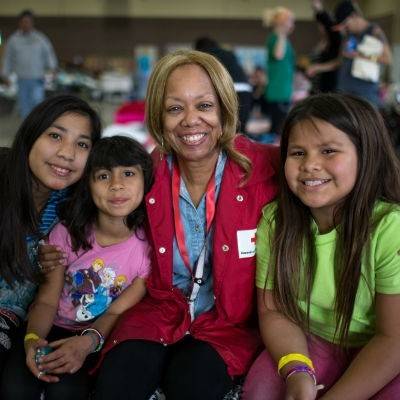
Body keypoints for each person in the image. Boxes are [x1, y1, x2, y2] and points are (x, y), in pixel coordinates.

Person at [84, 49, 278, 400]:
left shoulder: (265, 168)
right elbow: (88, 200)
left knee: (193, 386)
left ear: (224, 109)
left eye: (204, 106)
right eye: (175, 108)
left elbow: (324, 169)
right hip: (158, 311)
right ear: (159, 117)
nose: (191, 120)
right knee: (116, 385)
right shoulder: (144, 173)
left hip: (227, 323)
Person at [242, 93, 400, 399]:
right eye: (297, 153)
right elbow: (273, 311)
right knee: (260, 391)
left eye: (328, 150)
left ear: (366, 155)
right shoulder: (276, 222)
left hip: (383, 346)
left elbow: (393, 338)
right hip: (312, 339)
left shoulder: (390, 228)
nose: (311, 165)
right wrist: (297, 369)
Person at [1, 136, 153, 400]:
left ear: (146, 181)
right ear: (88, 186)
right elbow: (47, 300)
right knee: (15, 389)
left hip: (94, 335)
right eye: (103, 176)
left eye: (128, 173)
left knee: (67, 393)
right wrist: (33, 339)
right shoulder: (66, 233)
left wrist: (86, 343)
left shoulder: (148, 250)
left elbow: (115, 312)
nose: (116, 185)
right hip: (50, 327)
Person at [0, 94, 101, 374]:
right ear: (31, 135)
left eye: (82, 144)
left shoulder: (74, 204)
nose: (67, 154)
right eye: (55, 136)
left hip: (13, 319)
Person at [307, 1, 392, 107]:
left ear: (354, 16)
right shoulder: (349, 35)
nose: (345, 29)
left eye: (346, 25)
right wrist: (318, 67)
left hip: (365, 96)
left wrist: (361, 56)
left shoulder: (374, 32)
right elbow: (339, 61)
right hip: (344, 93)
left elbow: (387, 58)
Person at [1, 9, 58, 117]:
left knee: (37, 103)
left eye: (28, 22)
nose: (26, 24)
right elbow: (7, 58)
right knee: (24, 106)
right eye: (23, 22)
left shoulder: (40, 38)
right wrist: (5, 74)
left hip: (37, 78)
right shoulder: (13, 40)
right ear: (20, 23)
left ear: (32, 23)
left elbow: (48, 54)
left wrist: (53, 68)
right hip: (22, 79)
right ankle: (27, 130)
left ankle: (37, 128)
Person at [194, 37, 253, 134]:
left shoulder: (204, 55)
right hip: (246, 89)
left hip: (229, 89)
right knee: (241, 127)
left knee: (227, 127)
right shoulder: (228, 53)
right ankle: (243, 146)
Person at [262, 6, 295, 136]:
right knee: (277, 130)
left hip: (284, 90)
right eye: (290, 21)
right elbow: (278, 55)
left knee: (279, 128)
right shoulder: (276, 38)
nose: (292, 24)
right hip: (278, 90)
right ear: (282, 22)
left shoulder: (284, 39)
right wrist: (282, 32)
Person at [308, 0, 342, 93]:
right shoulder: (321, 42)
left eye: (322, 25)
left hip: (329, 88)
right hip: (316, 87)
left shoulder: (335, 41)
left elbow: (330, 25)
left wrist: (319, 10)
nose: (320, 28)